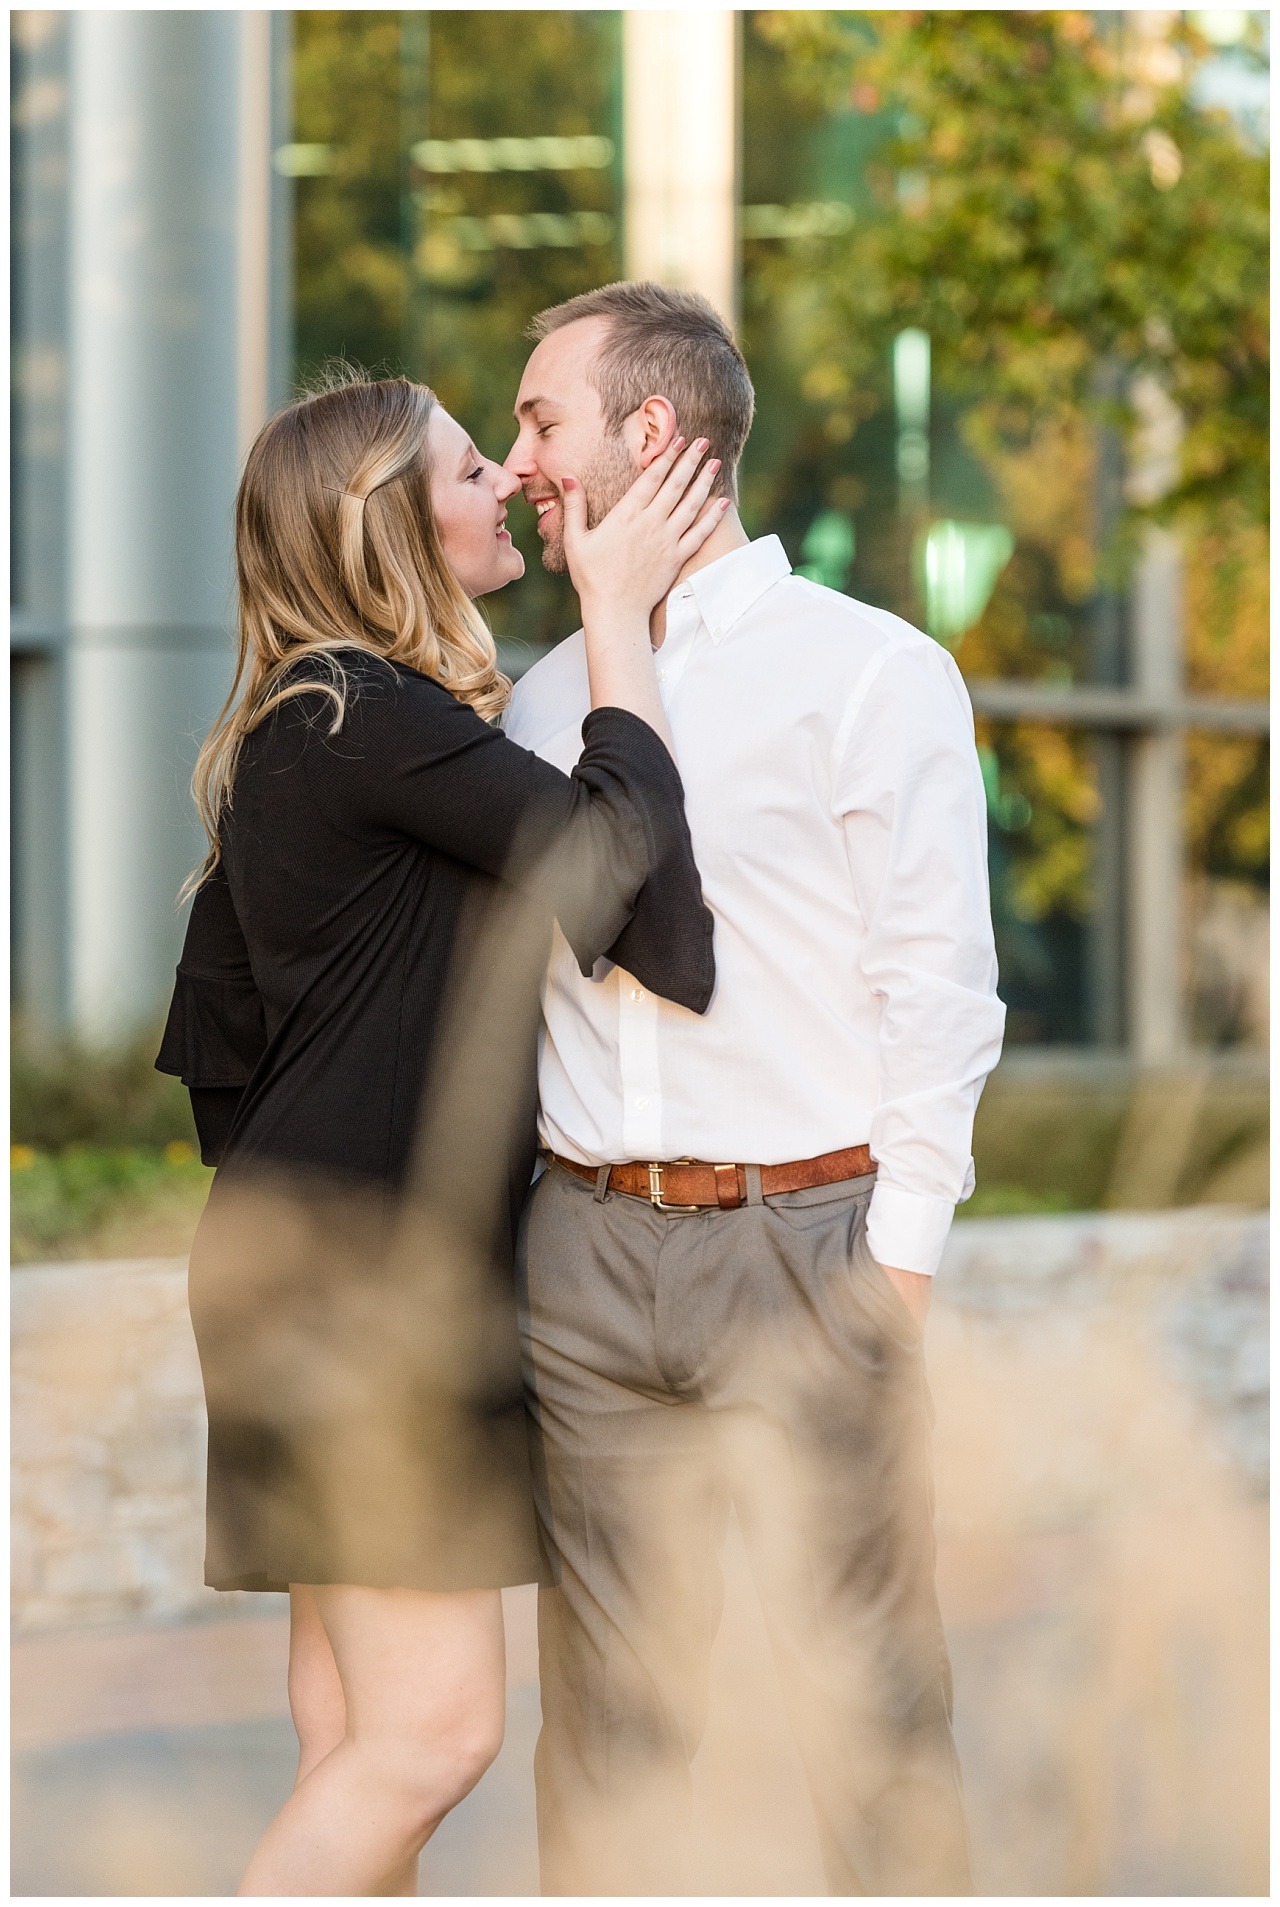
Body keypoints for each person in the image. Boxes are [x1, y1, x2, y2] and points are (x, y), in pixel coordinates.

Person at [155, 369, 727, 1897]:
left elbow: (215, 1046)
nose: (513, 488)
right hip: (379, 1290)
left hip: (299, 1264)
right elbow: (627, 879)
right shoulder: (374, 716)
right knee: (433, 1740)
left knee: (351, 1732)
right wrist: (615, 613)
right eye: (478, 469)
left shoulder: (299, 720)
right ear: (394, 524)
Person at [503, 281, 1007, 1895]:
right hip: (582, 1255)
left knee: (865, 1710)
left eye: (541, 421)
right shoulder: (532, 701)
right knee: (603, 1731)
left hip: (809, 1240)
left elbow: (937, 992)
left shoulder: (872, 672)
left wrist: (899, 1272)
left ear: (652, 435)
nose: (520, 461)